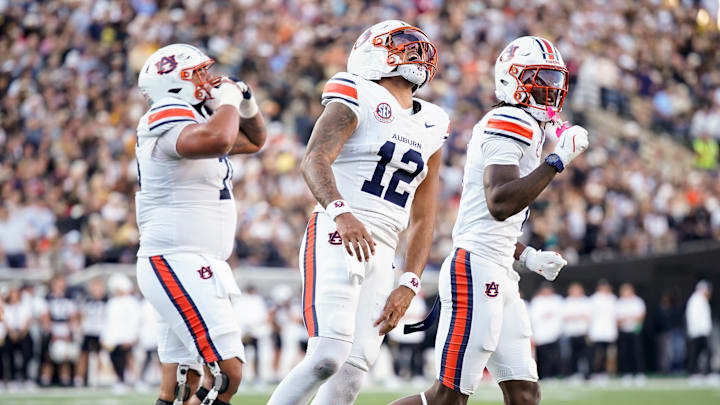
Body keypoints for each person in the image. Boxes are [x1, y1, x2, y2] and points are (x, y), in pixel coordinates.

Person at [391, 36, 589, 405]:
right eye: (541, 78)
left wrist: (526, 255)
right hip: (476, 270)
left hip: (497, 268)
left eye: (554, 79)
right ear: (511, 79)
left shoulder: (526, 123)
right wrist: (558, 160)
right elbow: (499, 202)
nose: (552, 88)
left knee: (524, 393)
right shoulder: (509, 119)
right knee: (446, 398)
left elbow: (489, 221)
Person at [267, 20, 448, 405]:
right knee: (327, 357)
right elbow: (314, 159)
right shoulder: (357, 92)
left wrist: (410, 282)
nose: (415, 53)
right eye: (402, 45)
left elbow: (424, 217)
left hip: (384, 250)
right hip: (338, 233)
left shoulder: (434, 121)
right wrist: (341, 212)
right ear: (372, 53)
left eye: (417, 46)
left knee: (351, 375)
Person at [133, 43, 266, 405]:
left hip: (198, 261)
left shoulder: (192, 119)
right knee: (228, 373)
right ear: (175, 84)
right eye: (198, 74)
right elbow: (220, 137)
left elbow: (255, 140)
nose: (209, 79)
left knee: (179, 386)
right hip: (176, 259)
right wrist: (226, 102)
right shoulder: (165, 115)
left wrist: (246, 102)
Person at [101, 274, 141, 392]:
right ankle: (120, 380)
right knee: (115, 359)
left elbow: (135, 321)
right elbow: (107, 321)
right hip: (114, 338)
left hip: (127, 337)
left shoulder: (131, 302)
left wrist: (132, 336)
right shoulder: (112, 302)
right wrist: (105, 337)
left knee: (130, 358)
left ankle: (137, 380)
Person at [75, 277, 108, 387]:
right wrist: (80, 328)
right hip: (88, 331)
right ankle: (79, 378)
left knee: (99, 355)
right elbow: (80, 314)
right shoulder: (86, 300)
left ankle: (96, 378)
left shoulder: (107, 301)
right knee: (83, 355)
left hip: (100, 331)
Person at [529, 283, 564, 380]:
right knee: (543, 358)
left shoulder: (557, 300)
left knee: (555, 357)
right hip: (541, 336)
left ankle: (555, 375)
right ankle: (544, 375)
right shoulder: (537, 301)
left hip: (555, 335)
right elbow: (534, 318)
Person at [3, 286, 34, 387]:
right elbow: (4, 320)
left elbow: (28, 319)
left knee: (27, 355)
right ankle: (11, 379)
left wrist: (23, 332)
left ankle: (25, 377)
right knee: (8, 355)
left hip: (23, 333)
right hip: (11, 333)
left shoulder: (24, 306)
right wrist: (11, 332)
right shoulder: (6, 307)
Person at [615, 283, 646, 383]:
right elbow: (618, 319)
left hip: (635, 331)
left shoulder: (637, 301)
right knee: (625, 353)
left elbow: (640, 316)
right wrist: (629, 318)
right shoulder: (619, 302)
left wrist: (629, 319)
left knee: (637, 353)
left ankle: (640, 373)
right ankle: (627, 373)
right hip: (624, 331)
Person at [588, 280, 617, 380]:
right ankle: (596, 372)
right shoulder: (594, 299)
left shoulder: (612, 299)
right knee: (597, 354)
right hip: (597, 332)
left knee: (608, 354)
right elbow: (589, 317)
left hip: (608, 332)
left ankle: (605, 373)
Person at [563, 282, 591, 379]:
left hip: (583, 333)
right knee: (572, 355)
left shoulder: (585, 301)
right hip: (572, 333)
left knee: (585, 355)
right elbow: (566, 317)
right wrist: (578, 316)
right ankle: (573, 374)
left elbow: (587, 317)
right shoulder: (567, 302)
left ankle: (586, 375)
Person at [686, 281, 712, 378]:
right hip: (698, 332)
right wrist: (696, 330)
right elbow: (694, 317)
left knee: (702, 352)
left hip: (702, 331)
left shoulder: (701, 299)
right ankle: (693, 373)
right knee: (696, 353)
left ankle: (702, 372)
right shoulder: (696, 300)